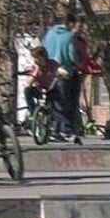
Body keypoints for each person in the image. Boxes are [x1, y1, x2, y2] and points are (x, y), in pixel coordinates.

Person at [42, 13, 90, 144]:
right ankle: (67, 130)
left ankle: (53, 128)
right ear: (70, 24)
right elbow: (71, 56)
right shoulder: (69, 36)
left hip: (50, 71)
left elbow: (43, 50)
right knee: (68, 102)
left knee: (53, 101)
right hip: (66, 71)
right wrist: (80, 66)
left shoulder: (50, 33)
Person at [23, 46, 59, 123]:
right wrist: (36, 71)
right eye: (34, 58)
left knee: (56, 101)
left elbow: (58, 74)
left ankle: (55, 120)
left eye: (38, 58)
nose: (36, 60)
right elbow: (29, 83)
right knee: (27, 90)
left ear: (43, 57)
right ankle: (33, 113)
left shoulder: (53, 64)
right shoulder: (34, 67)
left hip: (52, 89)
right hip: (40, 89)